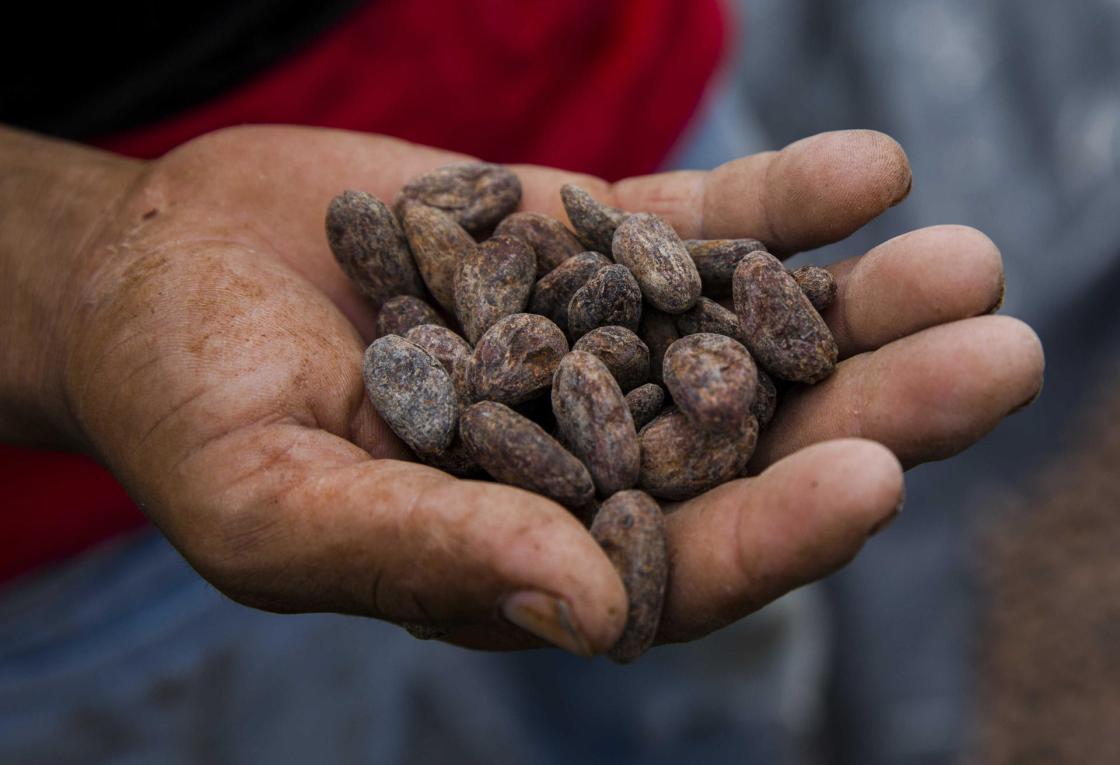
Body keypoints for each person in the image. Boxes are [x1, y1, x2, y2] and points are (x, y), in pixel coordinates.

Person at [0, 1, 1044, 761]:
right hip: (95, 483)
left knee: (724, 698)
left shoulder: (619, 285)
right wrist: (71, 256)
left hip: (611, 83)